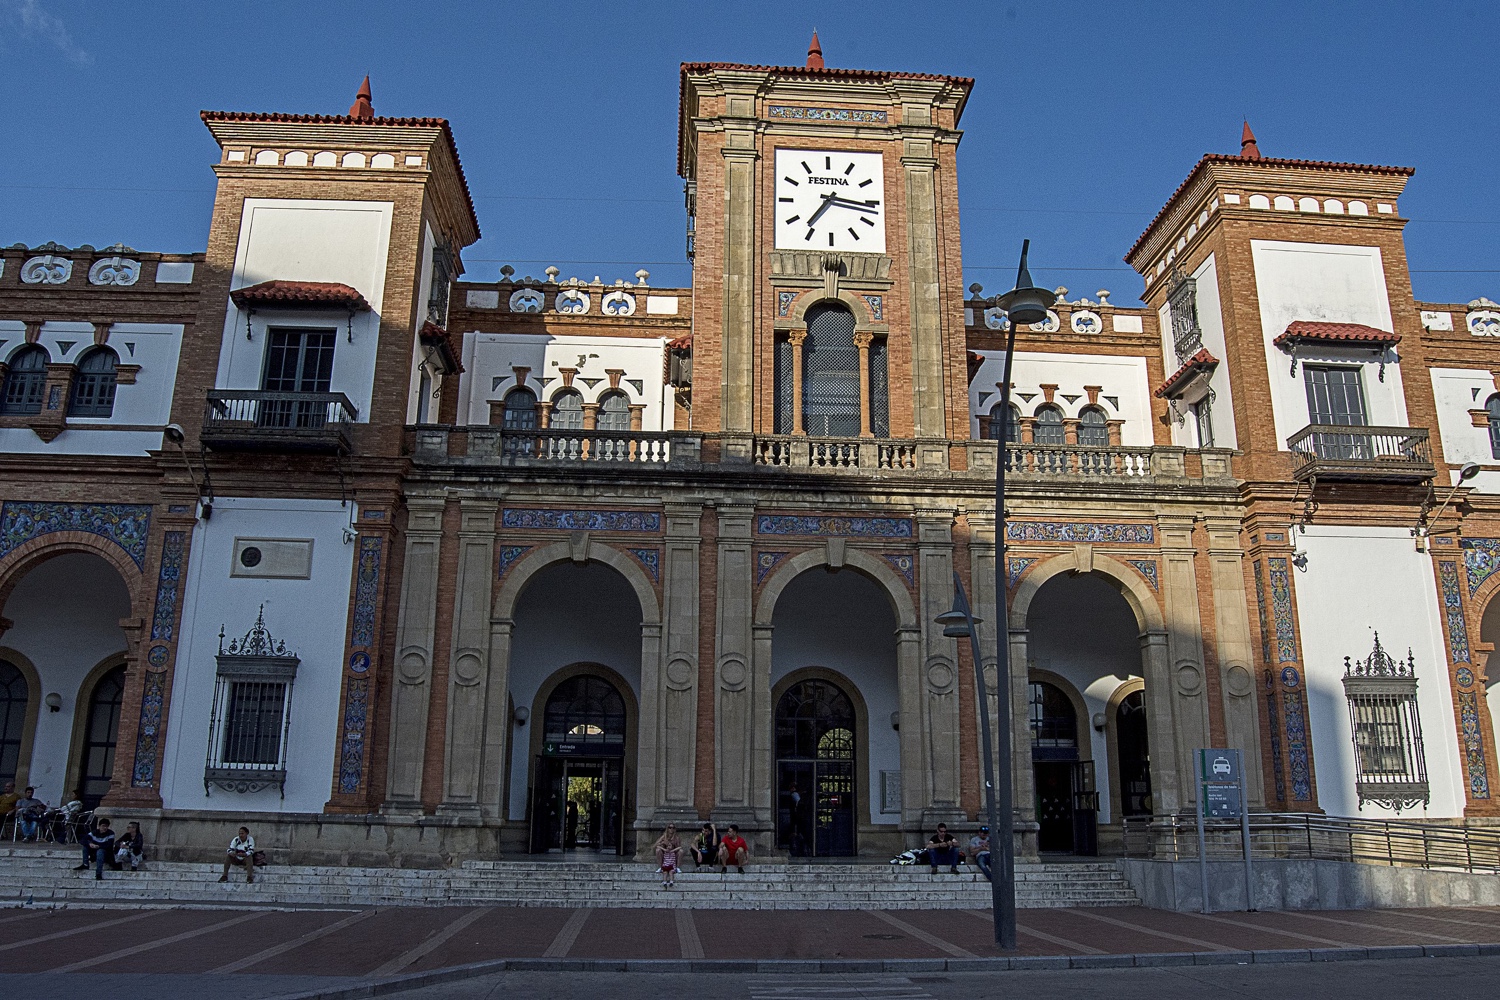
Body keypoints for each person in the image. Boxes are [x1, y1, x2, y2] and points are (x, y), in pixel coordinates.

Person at [652, 824, 681, 889]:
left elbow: (679, 847)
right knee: (658, 850)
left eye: (673, 828)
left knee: (681, 851)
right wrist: (663, 844)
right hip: (665, 855)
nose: (671, 829)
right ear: (667, 828)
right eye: (670, 827)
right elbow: (655, 845)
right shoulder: (664, 837)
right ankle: (661, 867)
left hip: (673, 855)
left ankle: (677, 868)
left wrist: (672, 849)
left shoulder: (676, 838)